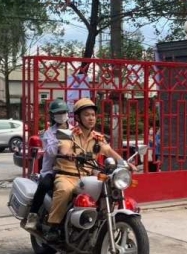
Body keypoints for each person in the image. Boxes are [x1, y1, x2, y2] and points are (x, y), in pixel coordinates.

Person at [45, 97, 136, 242]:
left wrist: (124, 162)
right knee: (64, 191)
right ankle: (54, 226)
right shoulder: (67, 133)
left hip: (88, 177)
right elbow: (64, 146)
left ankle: (98, 225)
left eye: (93, 115)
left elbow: (109, 151)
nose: (91, 118)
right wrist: (68, 153)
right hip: (67, 175)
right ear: (77, 117)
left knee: (107, 189)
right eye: (86, 115)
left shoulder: (97, 137)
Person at [24, 99, 70, 231]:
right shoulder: (49, 133)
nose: (61, 115)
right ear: (52, 116)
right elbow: (51, 151)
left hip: (72, 169)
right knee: (44, 185)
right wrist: (61, 139)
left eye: (63, 112)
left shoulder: (76, 130)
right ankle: (33, 216)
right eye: (58, 113)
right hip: (52, 171)